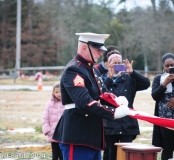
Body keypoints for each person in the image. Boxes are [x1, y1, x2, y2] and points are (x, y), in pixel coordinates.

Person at [52, 32, 131, 160]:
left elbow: (103, 94)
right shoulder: (74, 69)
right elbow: (84, 101)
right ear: (84, 48)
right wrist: (113, 112)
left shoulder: (93, 70)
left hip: (92, 136)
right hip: (77, 135)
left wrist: (116, 100)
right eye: (97, 49)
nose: (101, 53)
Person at [103, 51, 150, 160]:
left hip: (127, 123)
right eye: (114, 63)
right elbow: (100, 96)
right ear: (108, 64)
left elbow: (146, 84)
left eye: (120, 63)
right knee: (112, 154)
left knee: (127, 153)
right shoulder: (103, 79)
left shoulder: (129, 78)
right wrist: (109, 79)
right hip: (110, 123)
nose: (117, 65)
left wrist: (132, 72)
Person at [42, 83, 64, 160]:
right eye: (56, 92)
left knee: (62, 155)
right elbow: (45, 118)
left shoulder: (65, 103)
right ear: (53, 93)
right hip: (53, 133)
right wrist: (47, 130)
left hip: (63, 134)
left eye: (60, 91)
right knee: (55, 155)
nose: (59, 94)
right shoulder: (49, 104)